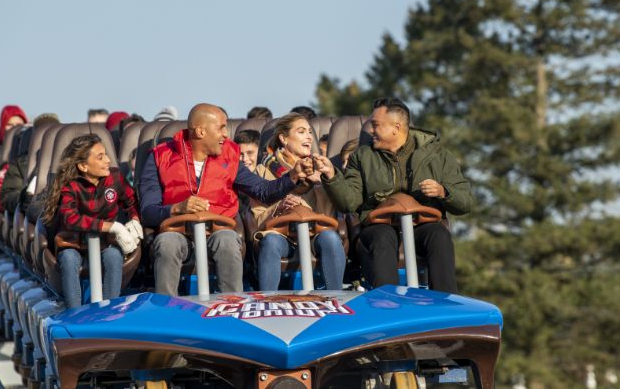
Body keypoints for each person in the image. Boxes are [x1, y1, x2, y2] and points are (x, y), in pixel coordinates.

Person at [139, 103, 313, 296]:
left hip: (218, 230)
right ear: (201, 131)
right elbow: (148, 212)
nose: (226, 135)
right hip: (176, 230)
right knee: (167, 243)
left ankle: (232, 309)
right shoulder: (159, 157)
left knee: (228, 241)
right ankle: (167, 313)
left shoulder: (230, 156)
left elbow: (263, 191)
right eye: (221, 128)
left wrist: (293, 177)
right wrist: (177, 208)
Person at [313, 97, 472, 293]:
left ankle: (445, 306)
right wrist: (331, 175)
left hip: (422, 226)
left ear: (396, 128)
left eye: (376, 125)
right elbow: (349, 202)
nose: (370, 130)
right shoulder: (362, 156)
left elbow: (465, 202)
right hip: (378, 228)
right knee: (383, 236)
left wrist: (443, 192)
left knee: (439, 234)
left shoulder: (438, 156)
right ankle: (387, 304)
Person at [41, 134, 142, 308]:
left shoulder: (115, 178)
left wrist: (134, 219)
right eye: (100, 157)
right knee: (68, 260)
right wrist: (110, 226)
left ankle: (111, 312)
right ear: (83, 166)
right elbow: (71, 218)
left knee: (114, 257)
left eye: (107, 155)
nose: (108, 161)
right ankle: (74, 314)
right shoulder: (70, 186)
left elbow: (131, 201)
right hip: (73, 242)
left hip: (105, 243)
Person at [251, 113, 345, 291]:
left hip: (315, 233)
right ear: (284, 138)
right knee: (270, 242)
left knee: (331, 238)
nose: (309, 136)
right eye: (301, 132)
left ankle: (337, 300)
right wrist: (280, 206)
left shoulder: (321, 168)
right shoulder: (262, 171)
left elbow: (329, 215)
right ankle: (268, 302)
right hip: (280, 235)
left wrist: (320, 184)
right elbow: (257, 219)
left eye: (310, 132)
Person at [0, 113, 60, 215]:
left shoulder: (70, 161)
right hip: (33, 216)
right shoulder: (21, 163)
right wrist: (24, 197)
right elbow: (7, 196)